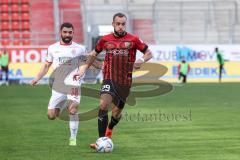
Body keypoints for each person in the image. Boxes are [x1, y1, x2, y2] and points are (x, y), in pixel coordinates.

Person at [73, 12, 153, 149]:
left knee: (116, 113)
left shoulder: (133, 39)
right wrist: (83, 69)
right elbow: (93, 55)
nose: (120, 26)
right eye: (118, 24)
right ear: (113, 24)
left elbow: (148, 53)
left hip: (125, 82)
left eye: (123, 24)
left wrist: (141, 60)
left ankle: (110, 129)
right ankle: (101, 141)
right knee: (103, 105)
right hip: (109, 78)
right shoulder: (105, 40)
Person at [30, 22, 87, 146]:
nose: (67, 34)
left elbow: (85, 62)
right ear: (60, 33)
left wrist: (82, 70)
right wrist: (37, 78)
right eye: (65, 32)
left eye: (70, 32)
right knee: (51, 116)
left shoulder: (80, 48)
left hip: (74, 84)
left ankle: (73, 138)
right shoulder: (52, 48)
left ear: (73, 33)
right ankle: (62, 106)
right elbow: (46, 65)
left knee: (73, 109)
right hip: (58, 86)